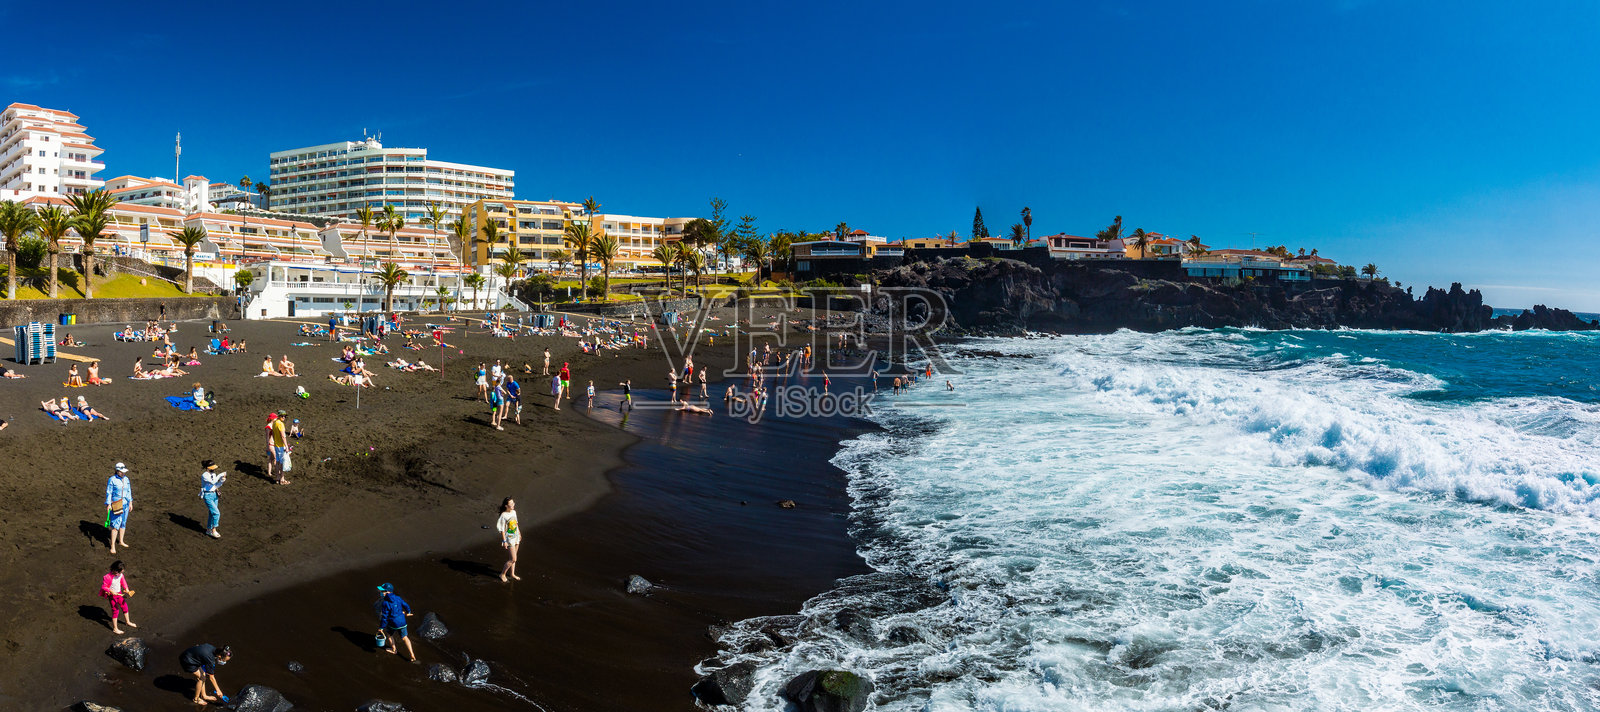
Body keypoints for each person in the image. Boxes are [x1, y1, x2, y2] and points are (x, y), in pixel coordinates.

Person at [374, 583, 416, 662]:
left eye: (382, 591)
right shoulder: (398, 598)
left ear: (387, 592)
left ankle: (394, 650)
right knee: (405, 637)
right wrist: (408, 611)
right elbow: (405, 605)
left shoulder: (385, 603)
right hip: (402, 621)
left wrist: (381, 628)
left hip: (393, 623)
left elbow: (385, 617)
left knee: (389, 634)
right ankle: (412, 654)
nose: (381, 592)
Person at [100, 560, 137, 634]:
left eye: (121, 572)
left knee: (125, 606)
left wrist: (126, 589)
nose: (120, 574)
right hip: (112, 596)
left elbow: (123, 582)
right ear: (114, 570)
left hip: (119, 593)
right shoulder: (107, 577)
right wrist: (110, 591)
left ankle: (128, 622)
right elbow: (104, 587)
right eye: (119, 572)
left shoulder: (120, 575)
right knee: (115, 611)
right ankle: (115, 628)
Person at [105, 463, 132, 554]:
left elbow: (129, 492)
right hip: (116, 504)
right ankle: (112, 545)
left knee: (123, 523)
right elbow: (109, 492)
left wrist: (130, 502)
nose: (123, 473)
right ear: (117, 471)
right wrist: (108, 504)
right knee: (115, 525)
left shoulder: (126, 479)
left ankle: (121, 541)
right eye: (122, 472)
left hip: (125, 504)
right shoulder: (112, 480)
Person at [496, 497, 521, 582]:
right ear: (506, 506)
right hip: (509, 539)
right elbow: (502, 529)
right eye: (511, 504)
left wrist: (519, 533)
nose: (513, 505)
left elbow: (516, 523)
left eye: (514, 503)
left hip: (516, 536)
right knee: (513, 559)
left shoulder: (514, 512)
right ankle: (502, 574)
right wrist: (504, 541)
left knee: (514, 557)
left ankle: (512, 574)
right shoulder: (503, 515)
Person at [200, 459, 225, 539]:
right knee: (216, 513)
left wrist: (222, 481)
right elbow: (213, 482)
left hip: (214, 495)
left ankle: (208, 530)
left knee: (212, 513)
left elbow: (216, 485)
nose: (214, 469)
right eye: (212, 467)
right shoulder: (205, 475)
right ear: (207, 468)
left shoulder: (213, 474)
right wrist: (219, 476)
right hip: (208, 496)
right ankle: (214, 530)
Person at [266, 412, 291, 485]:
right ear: (279, 416)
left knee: (277, 462)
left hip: (276, 445)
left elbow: (273, 434)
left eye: (285, 416)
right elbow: (283, 436)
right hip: (280, 446)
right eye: (282, 416)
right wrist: (286, 446)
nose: (284, 417)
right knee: (282, 462)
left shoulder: (274, 423)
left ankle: (277, 478)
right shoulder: (280, 424)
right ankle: (282, 480)